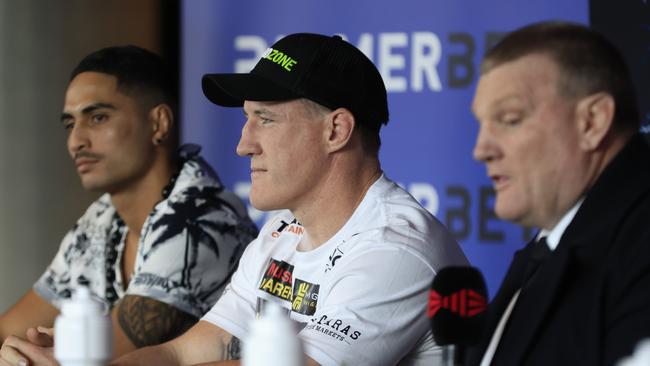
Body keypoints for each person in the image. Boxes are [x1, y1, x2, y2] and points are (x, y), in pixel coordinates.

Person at [112, 33, 468, 366]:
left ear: (336, 131)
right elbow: (181, 353)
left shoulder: (396, 248)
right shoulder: (280, 232)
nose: (243, 145)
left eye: (265, 119)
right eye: (246, 119)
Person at [0, 46, 258, 364]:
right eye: (70, 124)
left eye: (97, 117)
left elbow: (103, 356)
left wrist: (32, 352)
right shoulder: (102, 218)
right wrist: (18, 349)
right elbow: (9, 331)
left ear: (158, 123)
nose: (76, 141)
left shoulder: (200, 217)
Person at [465, 21, 650, 365]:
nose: (481, 149)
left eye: (510, 118)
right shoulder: (547, 246)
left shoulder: (637, 242)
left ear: (592, 122)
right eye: (481, 123)